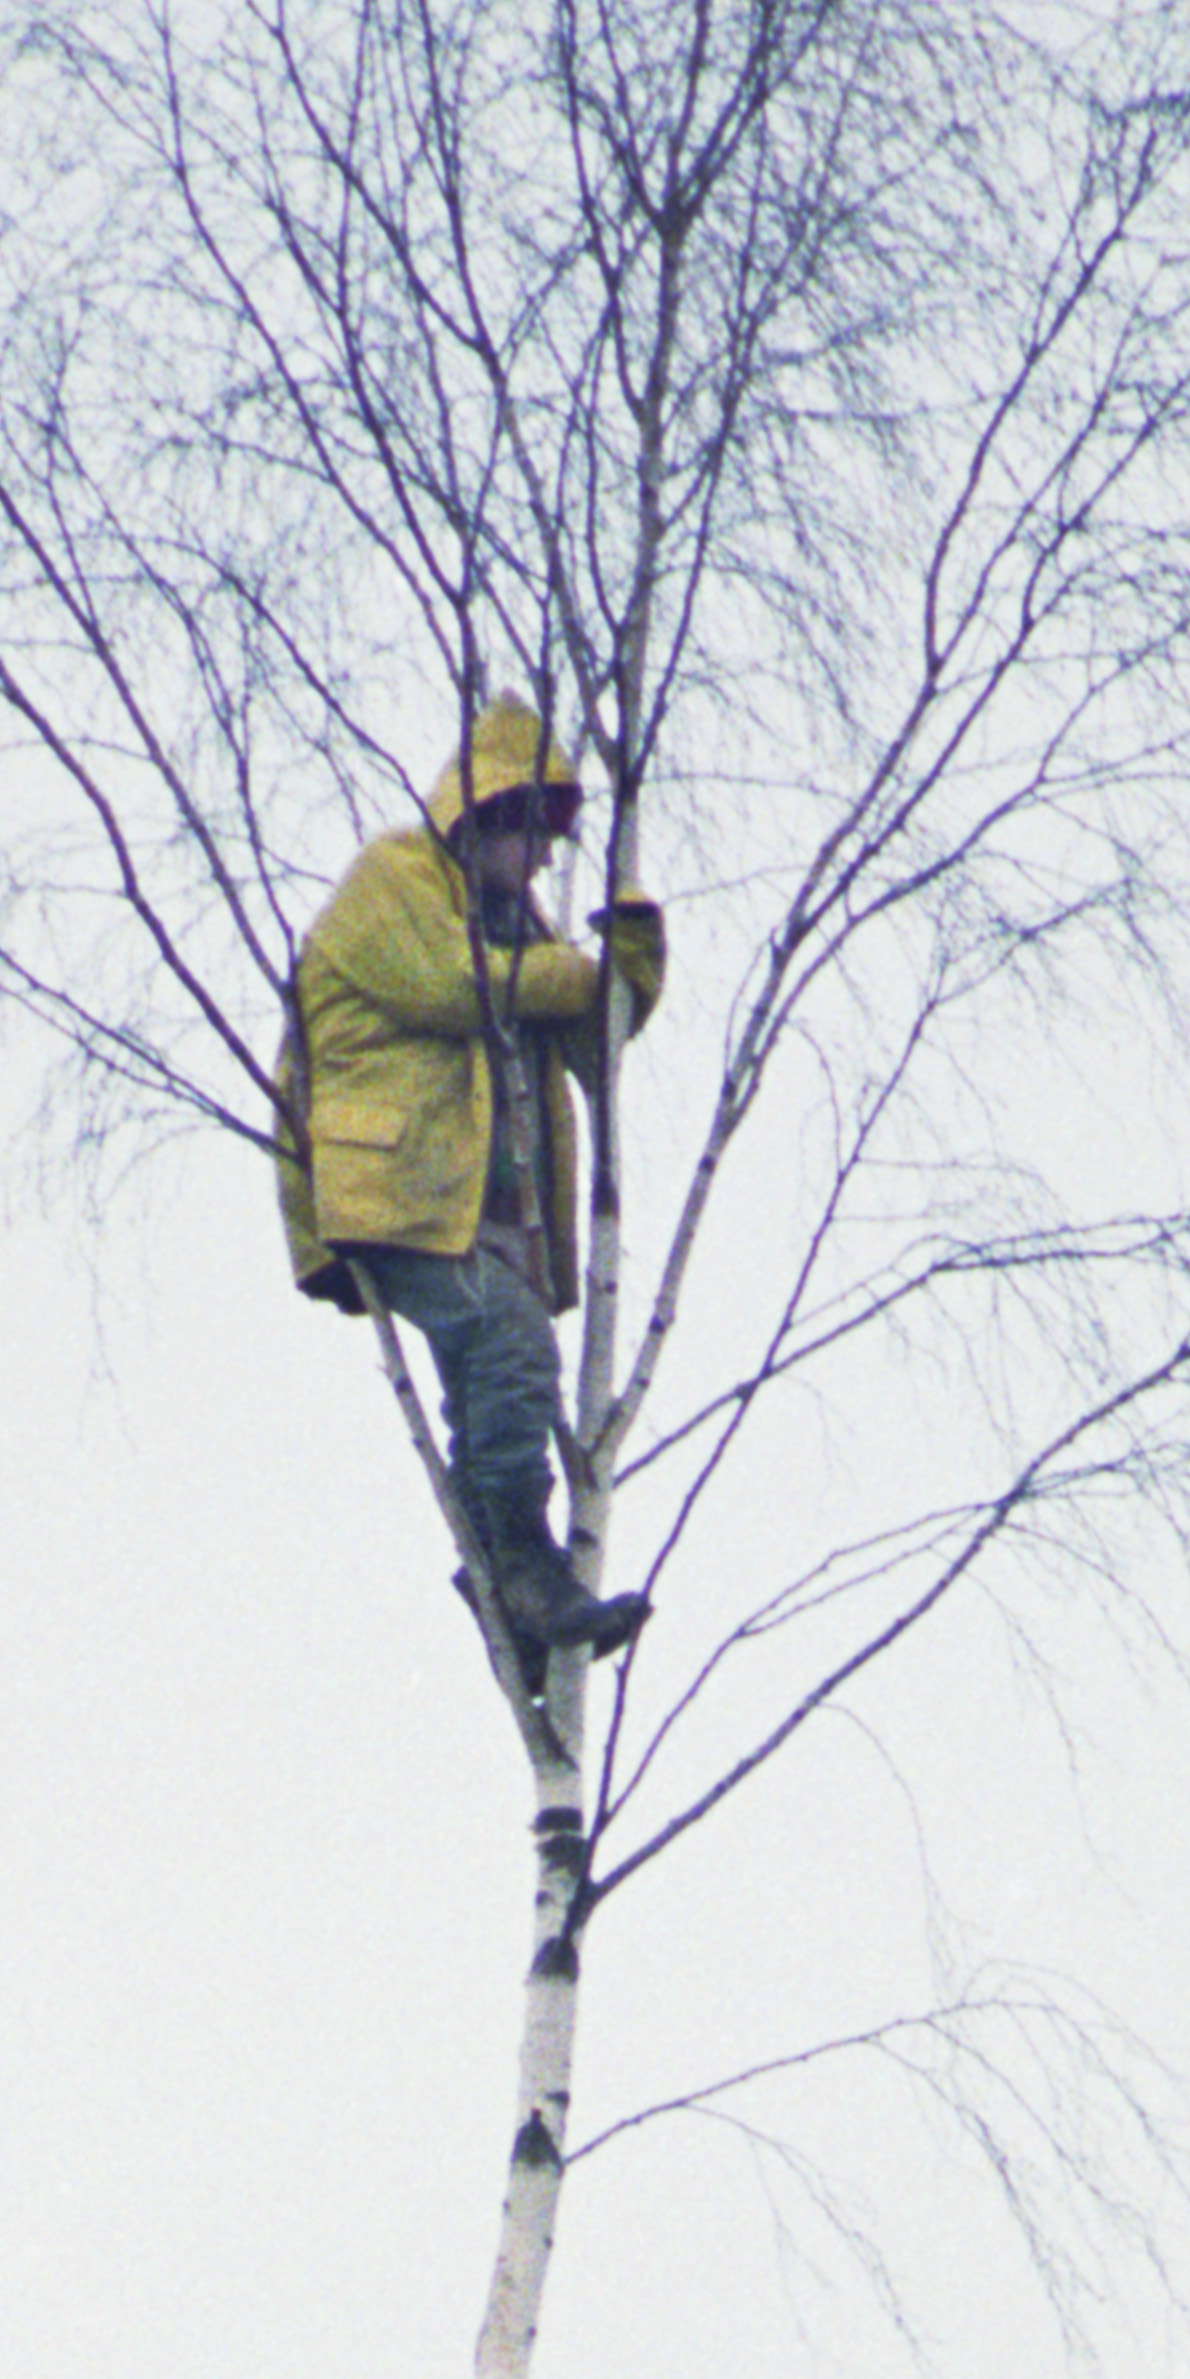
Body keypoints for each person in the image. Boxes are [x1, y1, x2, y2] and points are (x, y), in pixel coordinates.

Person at [277, 712, 670, 1676]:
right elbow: (446, 986)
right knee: (509, 1339)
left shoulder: (519, 933)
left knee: (487, 1389)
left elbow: (592, 1048)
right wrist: (575, 974)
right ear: (489, 812)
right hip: (395, 1194)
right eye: (534, 832)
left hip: (478, 1217)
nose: (544, 858)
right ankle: (526, 1567)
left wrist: (627, 964)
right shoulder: (395, 876)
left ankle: (510, 1615)